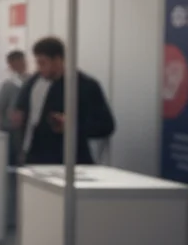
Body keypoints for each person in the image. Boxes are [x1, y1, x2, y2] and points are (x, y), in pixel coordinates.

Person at [11, 37, 115, 165]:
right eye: (37, 62)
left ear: (58, 60)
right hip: (34, 158)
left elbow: (106, 125)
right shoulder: (33, 82)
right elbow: (22, 111)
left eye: (43, 63)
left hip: (69, 160)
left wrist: (71, 126)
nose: (39, 67)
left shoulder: (85, 86)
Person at [0, 50, 28, 166]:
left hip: (26, 126)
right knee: (11, 159)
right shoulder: (8, 84)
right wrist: (2, 125)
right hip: (10, 128)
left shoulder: (32, 80)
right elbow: (0, 107)